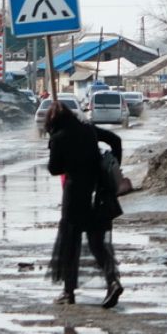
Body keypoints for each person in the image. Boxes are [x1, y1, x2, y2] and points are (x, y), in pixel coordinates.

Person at [45, 101, 125, 307]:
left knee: (70, 244)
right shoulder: (88, 130)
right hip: (95, 192)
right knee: (97, 243)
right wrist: (112, 163)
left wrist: (57, 148)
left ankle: (68, 292)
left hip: (73, 196)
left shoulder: (59, 138)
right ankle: (113, 281)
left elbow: (54, 169)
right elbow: (115, 140)